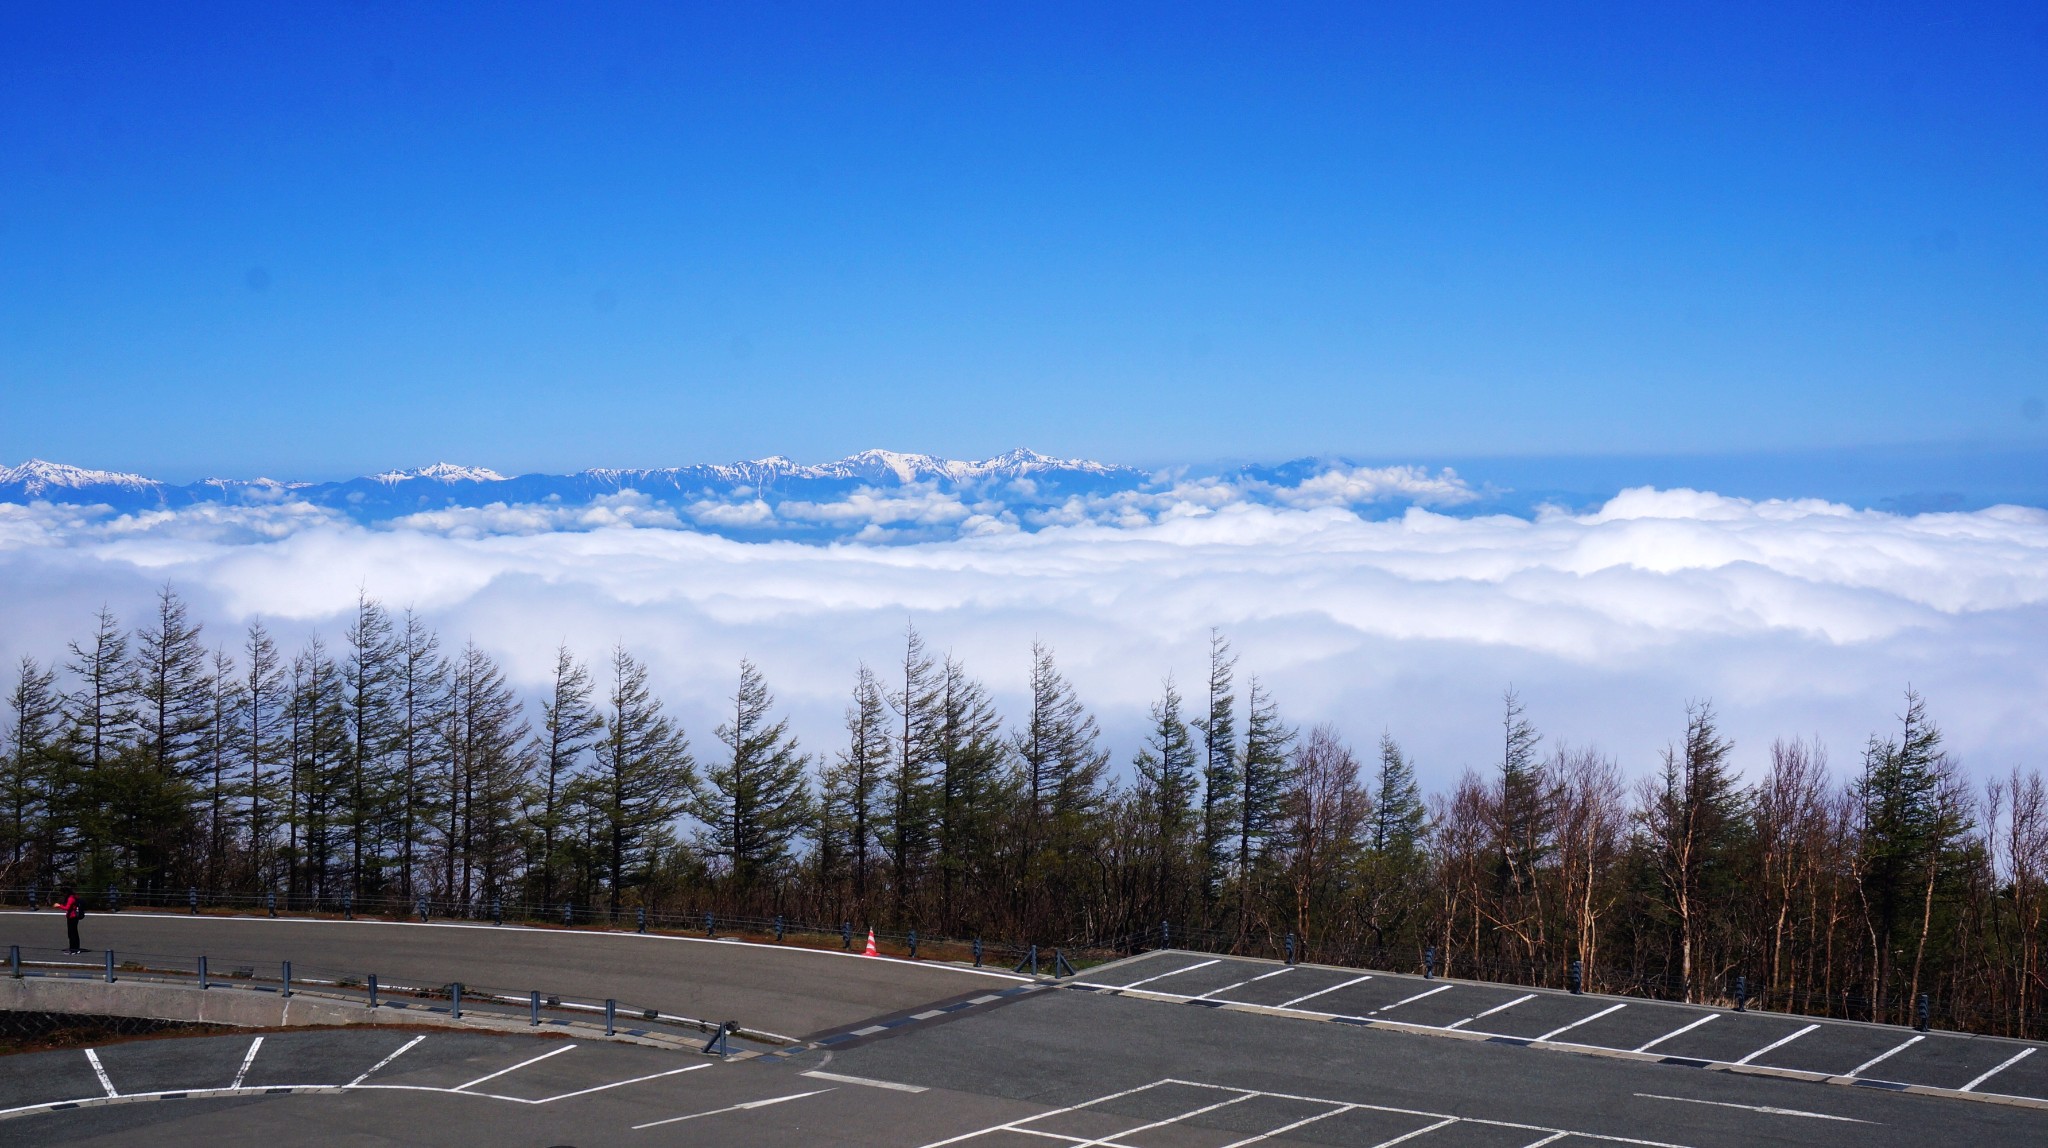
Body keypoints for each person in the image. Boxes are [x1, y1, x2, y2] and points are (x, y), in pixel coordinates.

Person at [53, 887, 82, 953]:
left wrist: (58, 906)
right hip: (73, 917)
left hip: (72, 917)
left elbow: (67, 908)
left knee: (72, 934)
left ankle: (73, 949)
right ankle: (75, 948)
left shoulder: (70, 898)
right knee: (74, 933)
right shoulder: (74, 897)